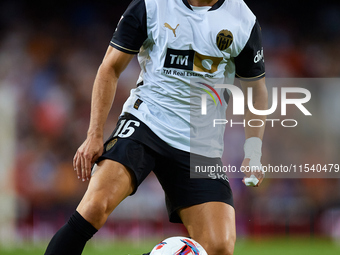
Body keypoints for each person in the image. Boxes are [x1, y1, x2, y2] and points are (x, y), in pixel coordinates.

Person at [44, 0, 267, 254]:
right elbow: (110, 67)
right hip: (145, 124)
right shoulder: (151, 5)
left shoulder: (242, 19)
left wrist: (253, 151)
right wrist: (94, 134)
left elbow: (256, 92)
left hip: (200, 144)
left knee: (219, 247)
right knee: (94, 207)